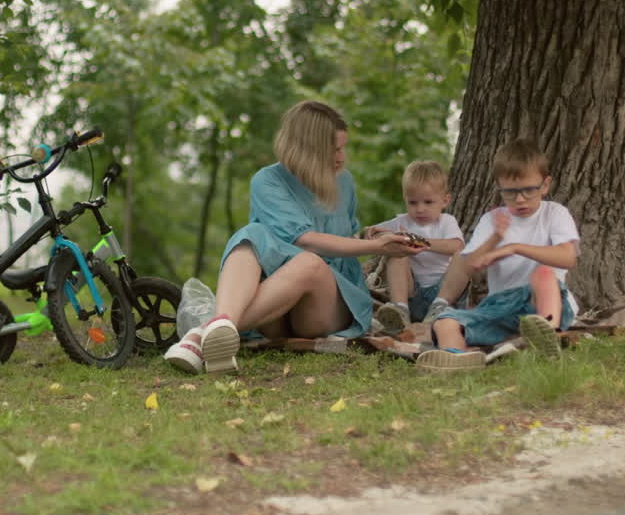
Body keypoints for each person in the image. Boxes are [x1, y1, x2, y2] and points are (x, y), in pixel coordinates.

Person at [164, 100, 423, 375]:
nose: (341, 157)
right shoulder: (267, 181)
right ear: (309, 150)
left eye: (342, 148)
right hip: (275, 308)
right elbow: (305, 239)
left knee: (309, 264)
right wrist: (374, 246)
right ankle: (219, 332)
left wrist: (370, 236)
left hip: (323, 304)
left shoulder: (344, 182)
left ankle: (202, 335)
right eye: (334, 149)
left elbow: (341, 237)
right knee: (251, 234)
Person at [416, 138, 580, 371]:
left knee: (543, 274)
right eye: (510, 192)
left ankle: (549, 335)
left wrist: (515, 248)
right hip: (499, 307)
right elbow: (469, 266)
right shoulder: (492, 220)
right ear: (499, 187)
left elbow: (568, 258)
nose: (520, 199)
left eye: (528, 190)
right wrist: (495, 239)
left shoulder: (555, 213)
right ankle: (457, 358)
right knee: (445, 321)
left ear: (545, 185)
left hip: (542, 302)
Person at [365, 160, 465, 334]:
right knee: (397, 254)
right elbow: (370, 234)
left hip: (443, 292)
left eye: (428, 202)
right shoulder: (401, 222)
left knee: (464, 255)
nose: (420, 209)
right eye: (413, 203)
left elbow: (455, 245)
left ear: (445, 200)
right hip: (412, 293)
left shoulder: (447, 222)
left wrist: (419, 241)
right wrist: (376, 233)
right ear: (405, 200)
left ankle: (439, 307)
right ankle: (400, 311)